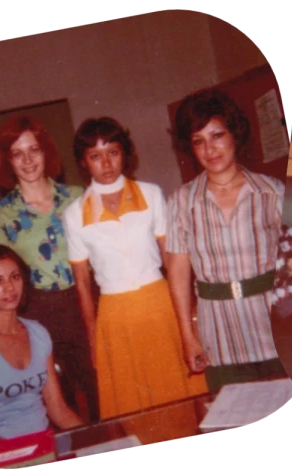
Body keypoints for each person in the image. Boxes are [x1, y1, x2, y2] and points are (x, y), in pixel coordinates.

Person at [62, 117, 208, 419]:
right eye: (95, 156)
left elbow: (172, 259)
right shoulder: (74, 214)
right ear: (83, 162)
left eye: (113, 152)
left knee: (180, 393)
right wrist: (93, 338)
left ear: (125, 153)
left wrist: (190, 317)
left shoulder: (151, 194)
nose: (106, 163)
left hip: (160, 304)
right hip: (115, 316)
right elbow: (82, 284)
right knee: (134, 404)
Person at [164, 88, 287, 394]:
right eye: (198, 141)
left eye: (217, 135)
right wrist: (188, 335)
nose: (210, 149)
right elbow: (178, 273)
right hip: (218, 336)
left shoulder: (272, 192)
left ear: (235, 134)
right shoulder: (181, 202)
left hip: (274, 327)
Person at [0, 116, 98, 422]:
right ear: (8, 161)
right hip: (37, 312)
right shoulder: (1, 216)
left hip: (86, 302)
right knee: (56, 401)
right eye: (17, 153)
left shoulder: (78, 197)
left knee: (102, 388)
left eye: (33, 149)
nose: (28, 160)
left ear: (45, 151)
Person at [0, 244, 86, 443]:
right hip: (4, 450)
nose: (9, 287)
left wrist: (94, 437)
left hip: (47, 443)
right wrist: (29, 455)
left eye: (15, 277)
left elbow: (58, 409)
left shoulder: (38, 333)